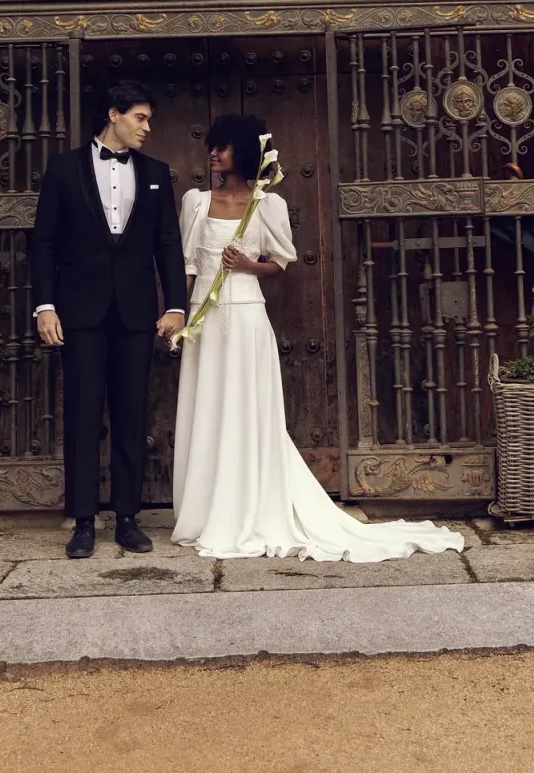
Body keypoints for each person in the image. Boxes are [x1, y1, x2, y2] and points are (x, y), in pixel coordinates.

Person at [171, 112, 465, 562]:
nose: (214, 152)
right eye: (212, 144)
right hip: (204, 321)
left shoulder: (266, 204)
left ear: (245, 151)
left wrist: (249, 266)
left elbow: (281, 262)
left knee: (245, 410)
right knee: (207, 406)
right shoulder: (195, 201)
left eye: (225, 146)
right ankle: (204, 510)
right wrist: (177, 314)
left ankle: (248, 506)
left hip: (248, 318)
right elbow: (189, 267)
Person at [30, 81, 188, 560]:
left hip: (137, 313)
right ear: (114, 113)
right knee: (81, 413)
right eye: (140, 117)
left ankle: (127, 517)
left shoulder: (157, 173)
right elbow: (44, 244)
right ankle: (81, 521)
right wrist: (45, 306)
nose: (147, 127)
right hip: (79, 312)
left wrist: (176, 305)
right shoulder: (63, 169)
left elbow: (167, 244)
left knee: (130, 412)